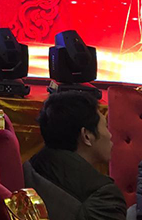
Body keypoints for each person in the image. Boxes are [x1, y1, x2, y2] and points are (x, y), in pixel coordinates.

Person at [24, 91, 127, 220]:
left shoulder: (29, 169)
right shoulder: (103, 197)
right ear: (87, 136)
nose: (110, 135)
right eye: (105, 126)